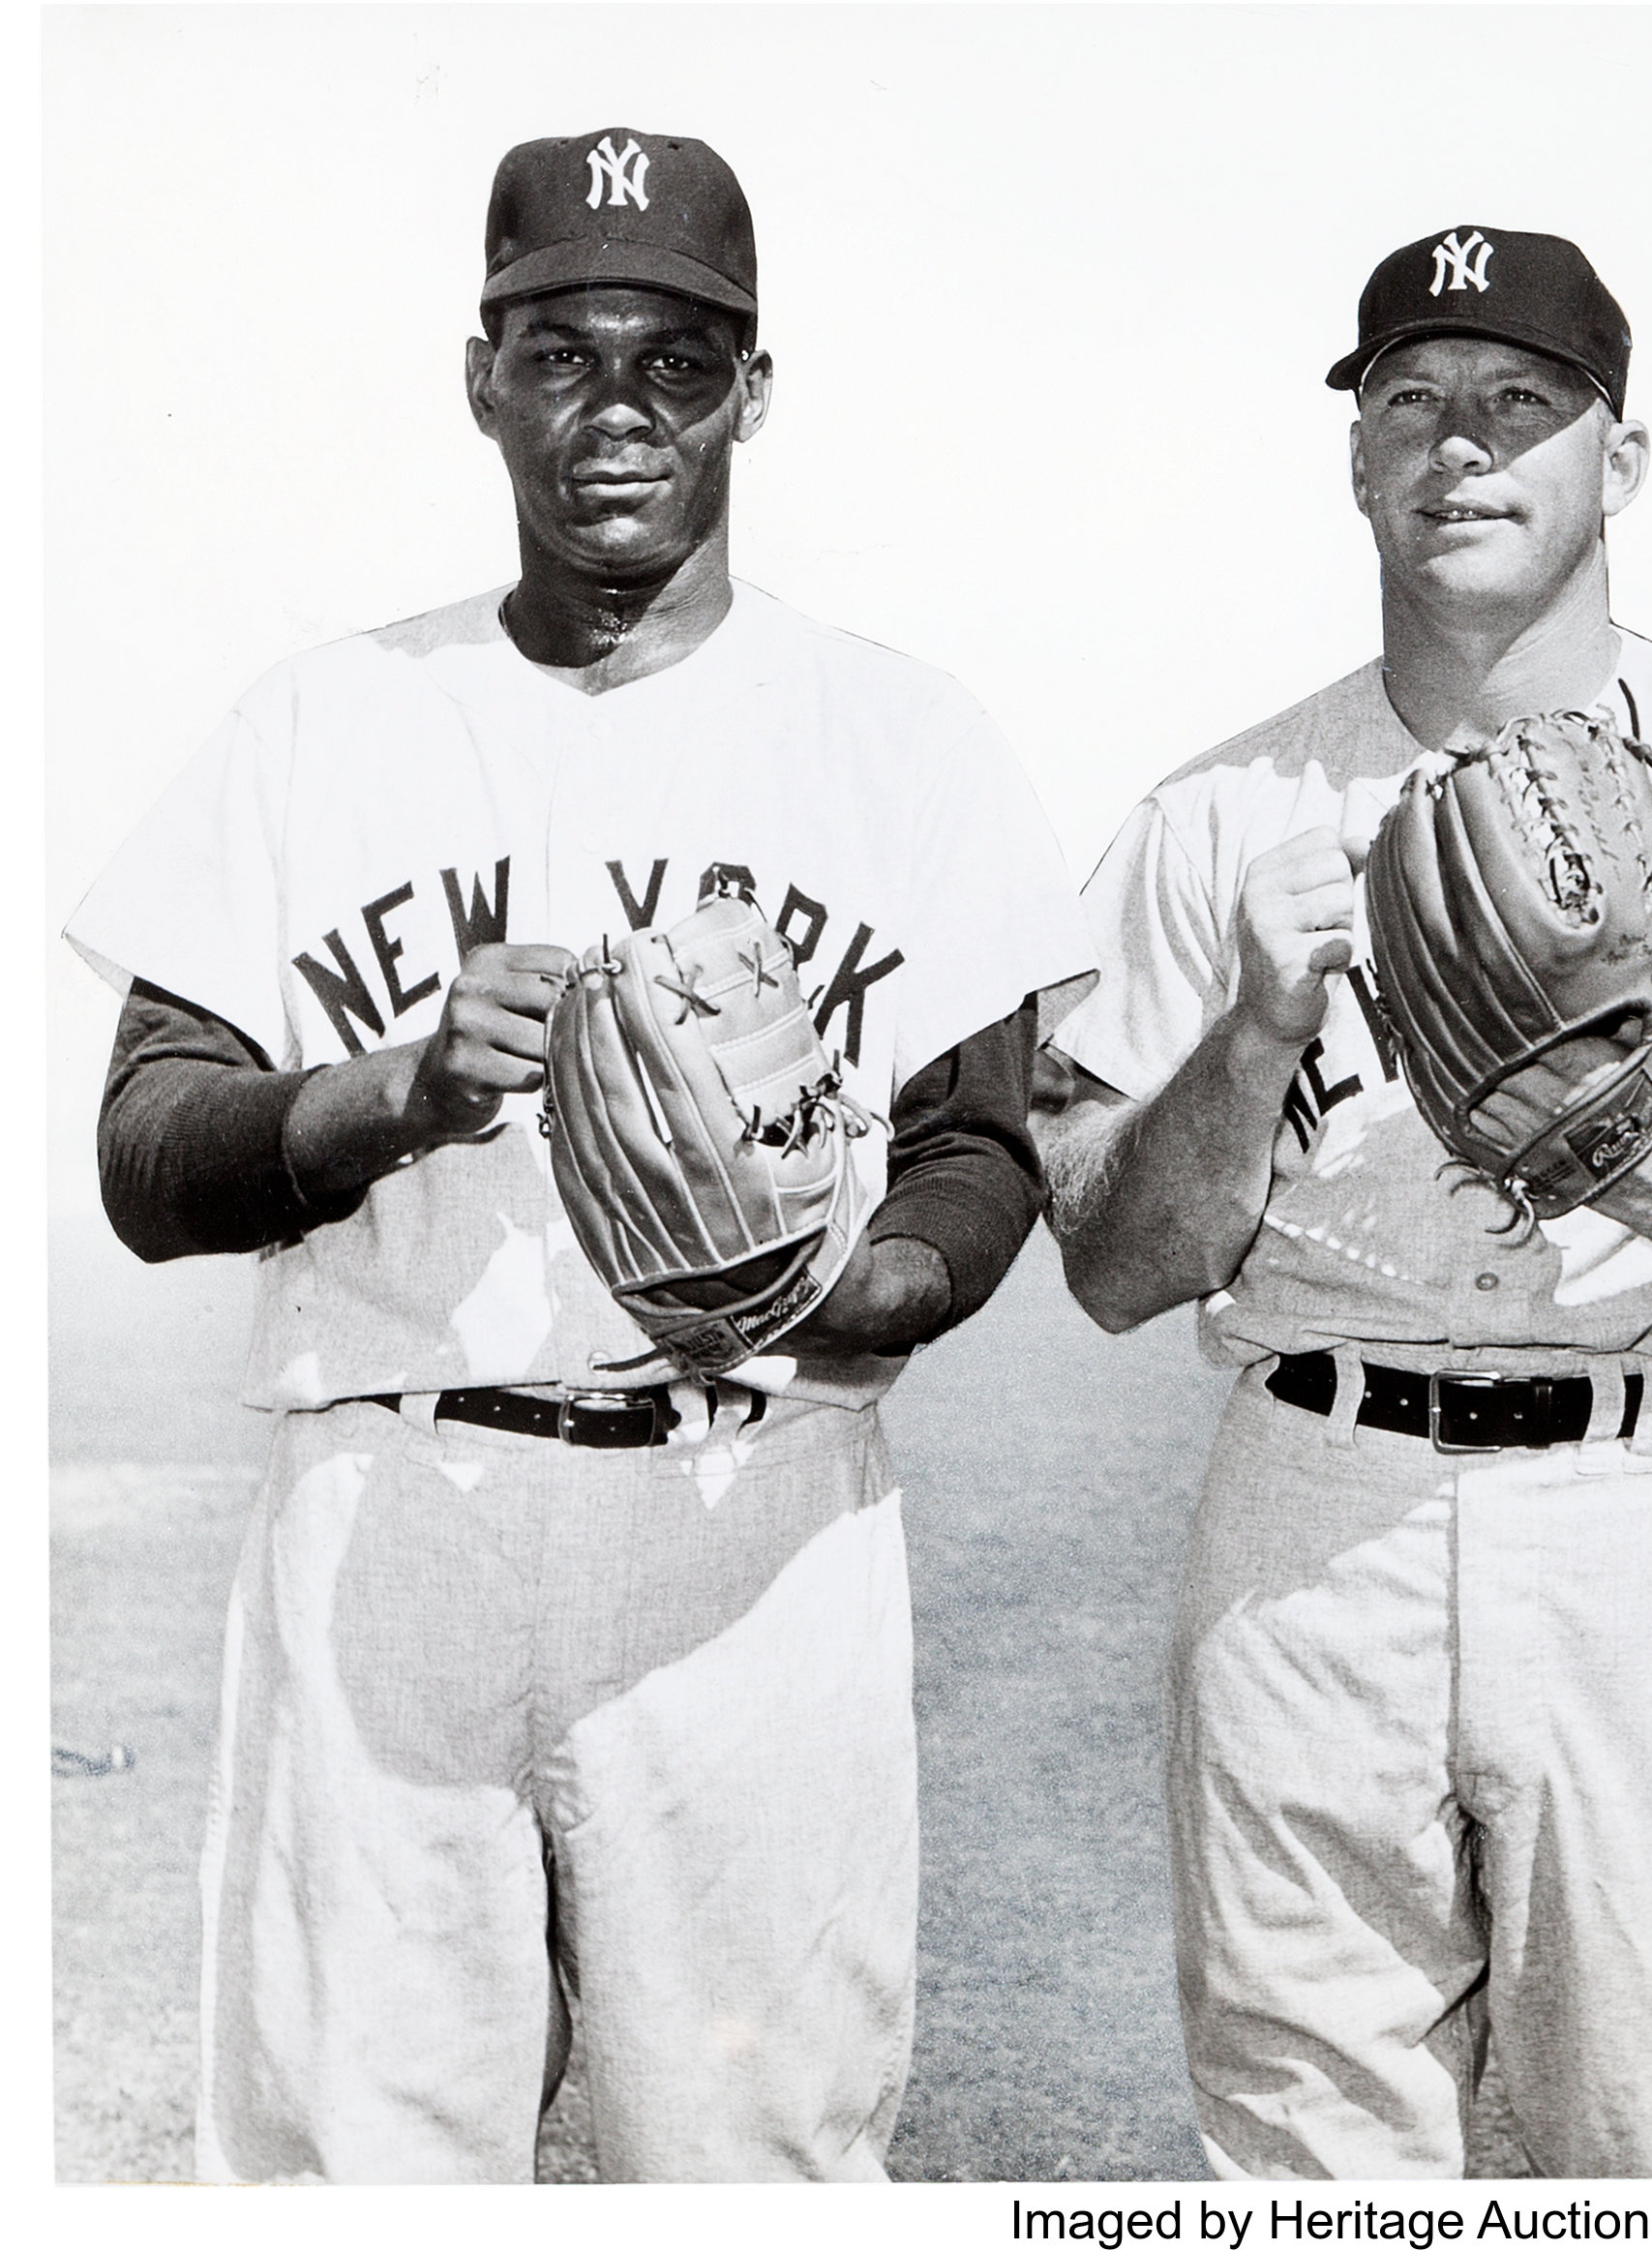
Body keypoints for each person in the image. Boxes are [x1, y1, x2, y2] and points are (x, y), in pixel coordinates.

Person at [66, 129, 1093, 2182]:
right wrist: (388, 1097)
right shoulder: (321, 720)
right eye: (560, 353)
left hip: (752, 1508)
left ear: (754, 390)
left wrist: (858, 1291)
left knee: (759, 2161)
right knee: (350, 2172)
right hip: (394, 1503)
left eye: (676, 361)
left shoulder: (899, 734)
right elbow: (146, 1150)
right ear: (481, 380)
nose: (617, 408)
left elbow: (977, 1148)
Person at [1035, 225, 1652, 2177]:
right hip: (1314, 1504)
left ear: (1618, 461)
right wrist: (1246, 1033)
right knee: (1307, 2169)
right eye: (1411, 401)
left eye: (1520, 404)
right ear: (1357, 459)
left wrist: (1642, 1150)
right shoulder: (1216, 816)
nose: (1459, 447)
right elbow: (1116, 1266)